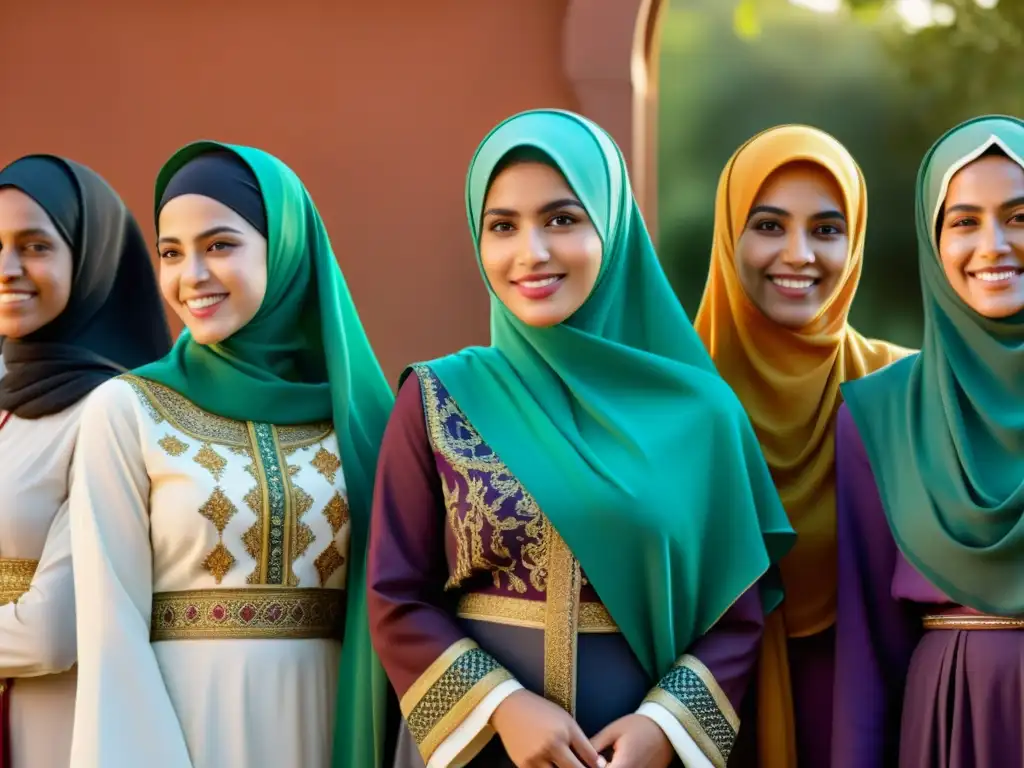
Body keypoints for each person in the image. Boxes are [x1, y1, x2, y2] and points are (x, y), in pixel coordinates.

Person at [367, 108, 795, 768]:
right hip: (481, 750)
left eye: (562, 219)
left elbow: (735, 618)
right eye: (502, 226)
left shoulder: (703, 415)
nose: (530, 253)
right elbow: (397, 596)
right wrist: (503, 707)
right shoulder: (436, 398)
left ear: (613, 225)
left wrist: (663, 728)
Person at [67, 144, 394, 767]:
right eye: (170, 253)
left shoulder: (362, 418)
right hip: (184, 732)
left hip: (336, 728)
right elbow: (111, 630)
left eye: (219, 245)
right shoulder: (128, 410)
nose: (191, 275)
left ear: (287, 247)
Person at [692, 125, 911, 767]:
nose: (799, 254)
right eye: (767, 226)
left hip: (866, 718)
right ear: (729, 236)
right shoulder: (669, 400)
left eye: (825, 229)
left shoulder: (901, 390)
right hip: (698, 718)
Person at [833, 115, 1024, 767]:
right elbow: (866, 655)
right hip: (949, 728)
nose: (994, 244)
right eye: (964, 221)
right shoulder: (880, 414)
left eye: (1019, 216)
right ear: (932, 240)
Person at [0, 154, 171, 767]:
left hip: (53, 729)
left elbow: (54, 632)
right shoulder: (7, 399)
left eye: (34, 246)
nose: (7, 268)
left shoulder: (112, 409)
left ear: (91, 257)